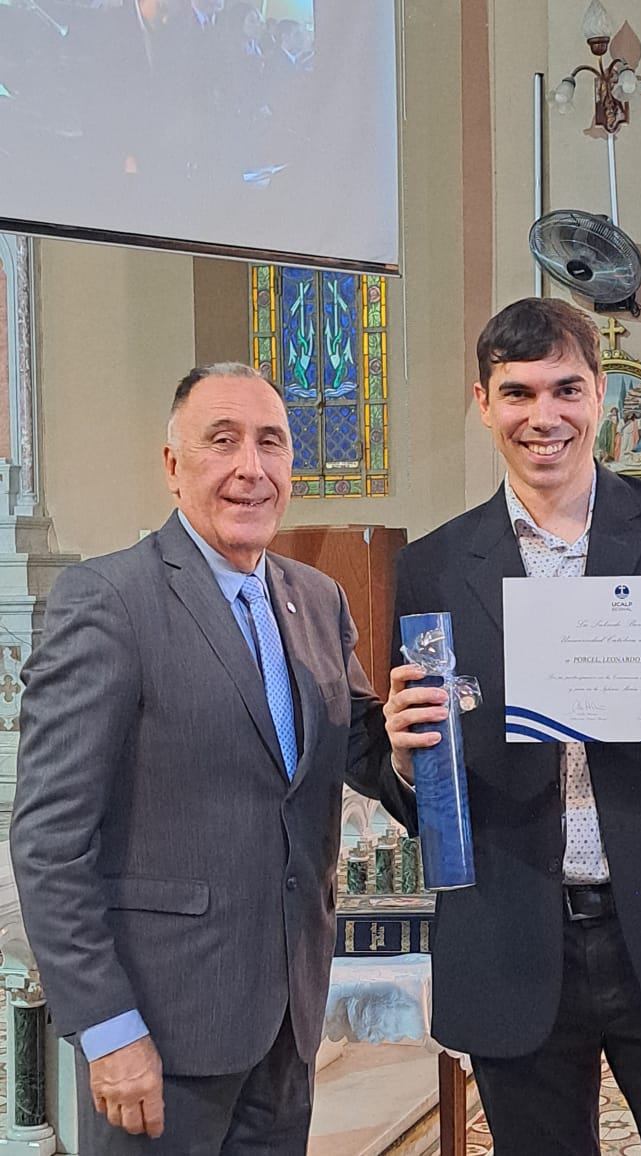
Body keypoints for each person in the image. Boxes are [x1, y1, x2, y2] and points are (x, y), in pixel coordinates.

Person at [383, 298, 641, 1156]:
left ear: (599, 396)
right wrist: (402, 755)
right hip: (514, 937)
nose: (544, 417)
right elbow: (429, 780)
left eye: (565, 389)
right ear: (482, 401)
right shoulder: (431, 564)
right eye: (518, 392)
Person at [10, 363, 410, 1154]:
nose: (249, 469)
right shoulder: (110, 601)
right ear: (171, 466)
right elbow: (50, 842)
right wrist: (108, 1027)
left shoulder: (315, 598)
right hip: (161, 1031)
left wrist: (406, 739)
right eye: (221, 442)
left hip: (286, 1024)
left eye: (271, 444)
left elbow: (353, 745)